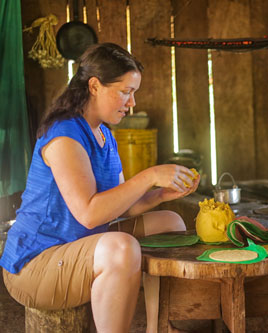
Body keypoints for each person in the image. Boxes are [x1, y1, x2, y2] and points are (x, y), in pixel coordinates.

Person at [0, 43, 199, 332]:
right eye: (125, 91)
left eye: (134, 93)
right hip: (36, 263)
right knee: (121, 248)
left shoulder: (104, 134)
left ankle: (157, 326)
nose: (131, 103)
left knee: (170, 222)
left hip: (80, 243)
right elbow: (91, 214)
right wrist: (149, 175)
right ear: (94, 86)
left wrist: (161, 194)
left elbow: (123, 205)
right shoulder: (65, 134)